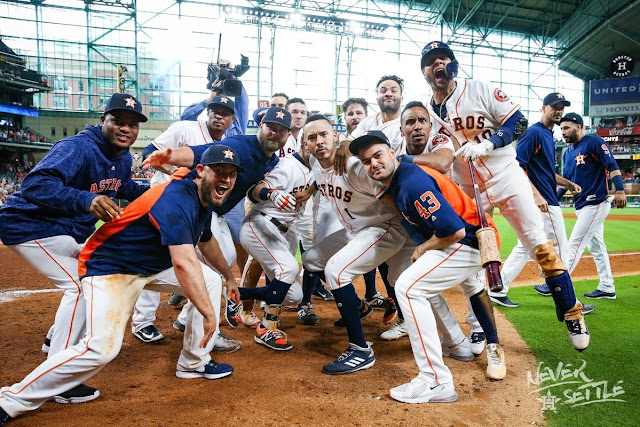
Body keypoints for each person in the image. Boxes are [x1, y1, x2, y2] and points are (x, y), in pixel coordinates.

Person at [0, 144, 243, 425]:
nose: (226, 179)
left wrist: (228, 277)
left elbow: (205, 240)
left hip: (151, 265)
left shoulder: (200, 197)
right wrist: (210, 315)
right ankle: (11, 400)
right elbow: (183, 263)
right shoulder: (178, 198)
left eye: (231, 174)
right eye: (219, 171)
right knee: (101, 348)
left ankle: (193, 363)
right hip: (110, 268)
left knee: (210, 279)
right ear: (200, 171)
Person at [420, 41, 589, 352]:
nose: (438, 64)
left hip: (506, 175)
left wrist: (488, 144)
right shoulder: (427, 112)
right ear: (424, 72)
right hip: (468, 187)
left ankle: (572, 312)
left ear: (454, 64)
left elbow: (518, 122)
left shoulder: (479, 89)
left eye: (444, 58)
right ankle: (477, 327)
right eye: (431, 61)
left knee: (538, 243)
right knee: (472, 255)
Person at [0, 93, 149, 404]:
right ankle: (59, 376)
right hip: (29, 223)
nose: (125, 129)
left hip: (62, 229)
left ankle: (55, 338)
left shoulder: (122, 156)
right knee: (81, 285)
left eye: (132, 125)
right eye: (118, 121)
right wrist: (86, 199)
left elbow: (121, 186)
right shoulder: (78, 147)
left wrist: (160, 191)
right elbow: (34, 184)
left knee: (92, 271)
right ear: (103, 121)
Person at [353, 131, 507, 403]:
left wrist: (424, 249)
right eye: (366, 161)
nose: (373, 163)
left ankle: (435, 380)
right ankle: (457, 346)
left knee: (408, 287)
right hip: (462, 238)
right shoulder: (398, 182)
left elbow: (453, 231)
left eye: (377, 155)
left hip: (469, 240)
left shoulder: (412, 182)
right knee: (421, 282)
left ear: (392, 153)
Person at [142, 107, 293, 333]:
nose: (275, 133)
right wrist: (169, 156)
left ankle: (186, 318)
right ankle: (199, 329)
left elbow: (255, 189)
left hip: (216, 212)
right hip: (195, 205)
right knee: (208, 273)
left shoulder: (271, 161)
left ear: (288, 135)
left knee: (227, 259)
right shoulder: (241, 145)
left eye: (281, 130)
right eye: (271, 127)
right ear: (261, 126)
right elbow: (202, 153)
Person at [299, 115, 415, 374]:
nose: (319, 141)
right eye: (312, 138)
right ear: (305, 144)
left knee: (336, 271)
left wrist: (416, 232)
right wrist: (308, 191)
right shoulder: (315, 163)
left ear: (335, 136)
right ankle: (358, 306)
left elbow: (391, 191)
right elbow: (320, 179)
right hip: (355, 230)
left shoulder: (353, 166)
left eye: (324, 135)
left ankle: (360, 349)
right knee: (311, 259)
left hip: (384, 227)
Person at [132, 96, 244, 346]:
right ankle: (143, 322)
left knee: (222, 259)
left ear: (232, 119)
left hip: (196, 207)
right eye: (215, 110)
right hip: (164, 203)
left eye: (225, 112)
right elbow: (149, 152)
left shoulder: (226, 145)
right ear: (207, 112)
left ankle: (187, 318)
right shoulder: (185, 128)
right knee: (156, 259)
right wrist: (174, 171)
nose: (219, 115)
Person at [496, 93, 587, 309]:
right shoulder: (534, 133)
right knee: (561, 249)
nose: (558, 110)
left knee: (524, 246)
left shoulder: (546, 134)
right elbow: (516, 166)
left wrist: (567, 183)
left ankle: (497, 289)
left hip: (544, 198)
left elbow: (545, 172)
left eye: (561, 107)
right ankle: (569, 301)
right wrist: (536, 195)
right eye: (554, 106)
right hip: (544, 201)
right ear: (543, 108)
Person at [554, 113, 626, 299]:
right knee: (597, 248)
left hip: (596, 202)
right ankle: (607, 287)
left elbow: (612, 165)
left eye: (567, 127)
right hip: (581, 204)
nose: (563, 132)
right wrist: (553, 200)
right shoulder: (568, 152)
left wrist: (620, 190)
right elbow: (566, 182)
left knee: (574, 244)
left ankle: (558, 284)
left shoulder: (594, 143)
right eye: (561, 129)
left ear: (579, 127)